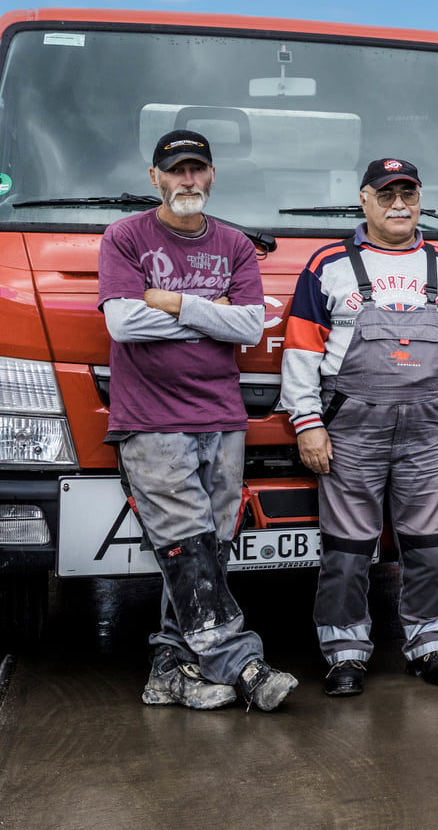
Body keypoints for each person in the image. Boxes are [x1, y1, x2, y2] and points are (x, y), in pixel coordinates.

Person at [99, 130, 298, 712]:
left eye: (197, 170)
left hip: (222, 417)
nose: (188, 180)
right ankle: (245, 665)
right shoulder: (126, 236)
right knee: (186, 543)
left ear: (211, 176)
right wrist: (214, 318)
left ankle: (170, 670)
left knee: (209, 548)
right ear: (155, 178)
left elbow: (248, 328)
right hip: (152, 419)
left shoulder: (235, 245)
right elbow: (123, 325)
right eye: (176, 171)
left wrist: (176, 303)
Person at [282, 158, 438, 696]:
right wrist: (307, 424)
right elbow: (301, 352)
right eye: (387, 194)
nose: (399, 204)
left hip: (426, 428)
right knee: (348, 547)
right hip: (352, 428)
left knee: (426, 544)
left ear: (419, 200)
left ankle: (429, 646)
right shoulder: (327, 265)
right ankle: (344, 653)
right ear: (365, 200)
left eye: (408, 194)